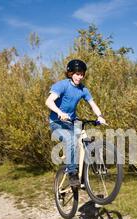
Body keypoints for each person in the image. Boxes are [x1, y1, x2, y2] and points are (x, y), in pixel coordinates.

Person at [45, 59, 106, 187]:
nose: (80, 76)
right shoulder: (62, 85)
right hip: (57, 122)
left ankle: (85, 174)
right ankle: (72, 174)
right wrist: (59, 112)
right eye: (77, 73)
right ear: (70, 73)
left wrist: (99, 116)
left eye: (82, 74)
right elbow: (49, 102)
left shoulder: (83, 90)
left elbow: (93, 104)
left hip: (72, 122)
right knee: (72, 140)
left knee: (87, 140)